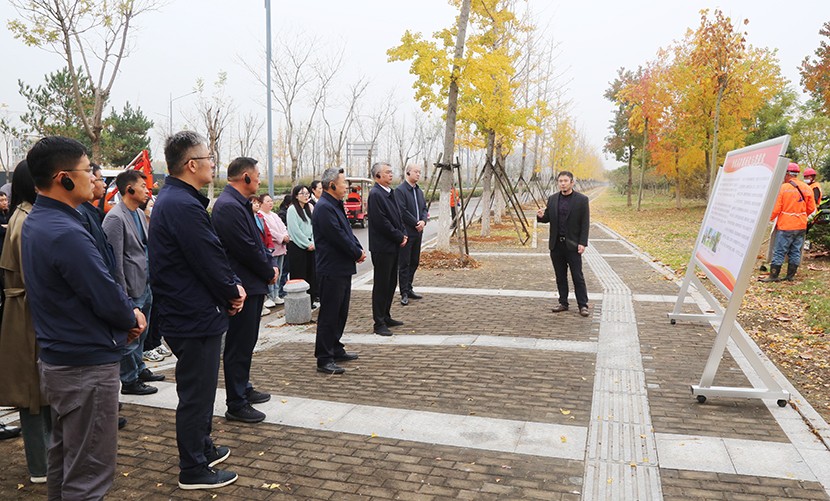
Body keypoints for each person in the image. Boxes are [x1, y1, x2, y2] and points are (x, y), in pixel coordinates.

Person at [21, 136, 146, 498]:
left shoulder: (42, 220)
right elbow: (103, 292)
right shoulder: (64, 232)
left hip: (63, 359)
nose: (94, 177)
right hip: (84, 365)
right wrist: (131, 318)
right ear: (63, 178)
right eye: (87, 169)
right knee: (88, 472)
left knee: (67, 460)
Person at [148, 131, 245, 490]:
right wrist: (232, 291)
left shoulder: (176, 199)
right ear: (191, 164)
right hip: (192, 316)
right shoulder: (182, 205)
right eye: (209, 158)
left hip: (191, 311)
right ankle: (193, 468)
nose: (213, 164)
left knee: (202, 389)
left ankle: (203, 446)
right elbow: (207, 258)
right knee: (196, 394)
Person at [212, 157, 277, 424]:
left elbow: (256, 243)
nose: (260, 180)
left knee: (247, 342)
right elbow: (245, 248)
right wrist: (268, 271)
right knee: (238, 345)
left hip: (252, 283)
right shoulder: (228, 206)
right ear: (245, 177)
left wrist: (269, 264)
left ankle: (244, 387)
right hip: (243, 284)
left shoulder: (240, 204)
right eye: (257, 175)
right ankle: (236, 402)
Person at [0, 161, 50, 484]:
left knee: (38, 392)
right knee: (32, 394)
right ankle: (40, 465)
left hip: (25, 311)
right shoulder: (27, 219)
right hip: (27, 314)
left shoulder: (24, 215)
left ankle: (44, 461)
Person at [103, 170, 165, 397]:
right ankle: (129, 380)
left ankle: (139, 368)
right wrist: (124, 295)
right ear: (129, 189)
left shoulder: (138, 213)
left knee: (142, 331)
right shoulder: (115, 218)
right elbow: (115, 261)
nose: (148, 190)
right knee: (131, 333)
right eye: (142, 186)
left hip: (145, 283)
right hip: (130, 287)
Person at [312, 168, 366, 374]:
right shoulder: (324, 208)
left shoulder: (335, 204)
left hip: (341, 267)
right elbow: (337, 237)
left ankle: (335, 347)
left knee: (340, 312)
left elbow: (347, 232)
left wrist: (358, 249)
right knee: (329, 314)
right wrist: (356, 253)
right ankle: (324, 358)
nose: (346, 187)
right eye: (343, 183)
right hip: (331, 268)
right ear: (332, 185)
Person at [536, 170, 591, 317]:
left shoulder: (581, 200)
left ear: (572, 182)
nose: (563, 184)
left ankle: (583, 305)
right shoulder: (553, 199)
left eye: (566, 181)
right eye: (560, 181)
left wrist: (582, 243)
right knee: (560, 276)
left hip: (573, 245)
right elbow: (548, 218)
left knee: (577, 276)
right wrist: (541, 216)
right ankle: (563, 303)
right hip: (556, 245)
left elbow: (585, 223)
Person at [368, 162, 407, 336]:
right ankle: (379, 322)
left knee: (391, 282)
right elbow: (381, 222)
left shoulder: (390, 192)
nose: (391, 175)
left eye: (391, 172)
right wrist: (399, 236)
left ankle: (386, 315)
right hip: (382, 247)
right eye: (387, 172)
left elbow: (398, 216)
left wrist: (403, 233)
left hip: (393, 245)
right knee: (382, 284)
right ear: (378, 176)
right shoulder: (376, 194)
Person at [762, 162, 816, 282]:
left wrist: (768, 219)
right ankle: (790, 276)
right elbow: (811, 208)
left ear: (787, 174)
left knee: (779, 251)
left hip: (786, 225)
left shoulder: (783, 188)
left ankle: (773, 276)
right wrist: (800, 215)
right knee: (796, 250)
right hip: (801, 225)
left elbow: (776, 209)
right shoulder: (807, 188)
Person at [395, 164, 428, 305]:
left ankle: (409, 288)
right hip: (407, 232)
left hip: (418, 232)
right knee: (404, 263)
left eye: (419, 172)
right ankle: (403, 292)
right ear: (408, 172)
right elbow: (402, 211)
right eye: (416, 172)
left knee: (414, 261)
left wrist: (423, 221)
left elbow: (424, 208)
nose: (418, 174)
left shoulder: (419, 191)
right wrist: (415, 223)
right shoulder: (400, 191)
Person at [287, 184, 318, 306]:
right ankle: (299, 304)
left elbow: (314, 226)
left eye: (307, 193)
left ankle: (310, 300)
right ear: (296, 196)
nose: (306, 196)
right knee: (299, 275)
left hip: (311, 246)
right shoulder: (292, 210)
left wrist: (313, 243)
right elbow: (295, 231)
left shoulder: (310, 207)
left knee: (311, 274)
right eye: (302, 193)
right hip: (298, 247)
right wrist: (306, 243)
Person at [258, 193, 289, 305]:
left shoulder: (274, 215)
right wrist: (281, 237)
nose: (270, 203)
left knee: (279, 272)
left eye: (271, 201)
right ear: (261, 203)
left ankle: (276, 295)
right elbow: (269, 231)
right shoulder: (261, 215)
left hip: (281, 247)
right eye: (268, 201)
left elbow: (283, 227)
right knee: (272, 272)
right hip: (272, 248)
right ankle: (270, 295)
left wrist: (286, 235)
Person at [250, 195, 275, 315]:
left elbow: (267, 233)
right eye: (253, 203)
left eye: (257, 203)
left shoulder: (260, 217)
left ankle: (273, 296)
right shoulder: (248, 219)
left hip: (266, 249)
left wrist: (270, 245)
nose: (256, 205)